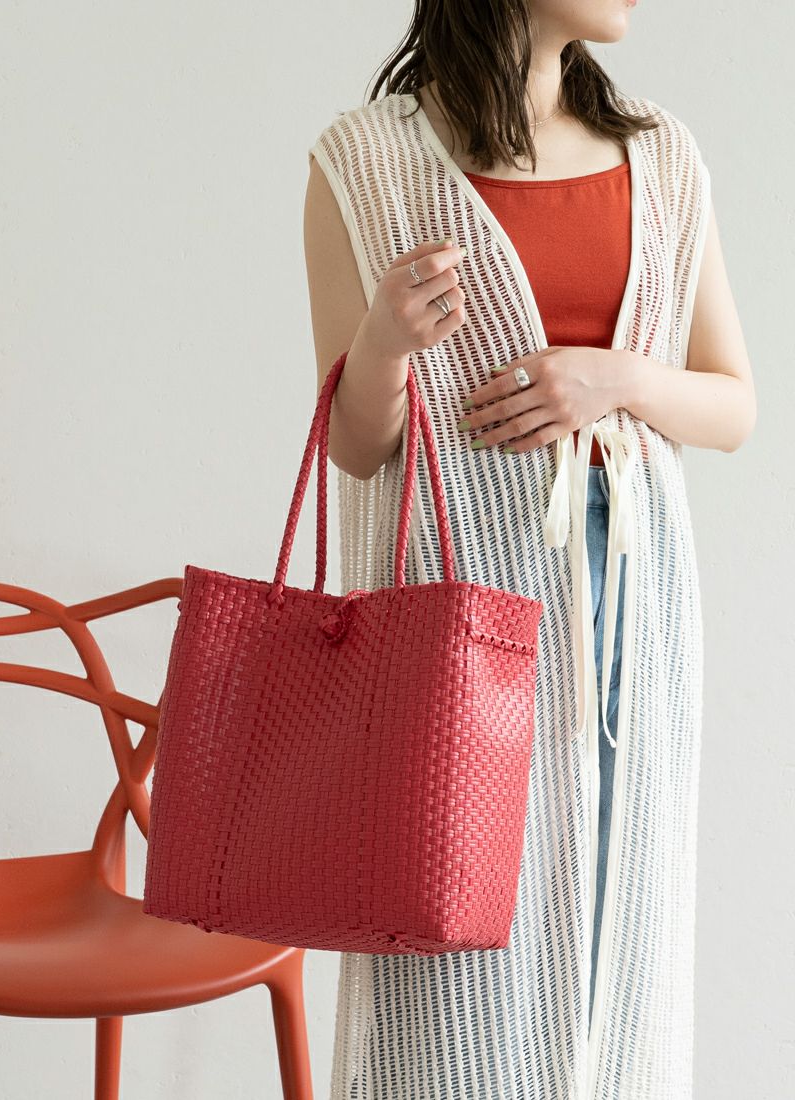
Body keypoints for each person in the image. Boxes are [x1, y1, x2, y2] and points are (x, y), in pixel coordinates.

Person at [304, 3, 755, 1098]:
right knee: (453, 948)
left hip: (630, 604)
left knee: (614, 927)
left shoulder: (660, 155)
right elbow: (355, 449)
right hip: (454, 621)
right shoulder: (365, 163)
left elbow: (732, 404)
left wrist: (617, 378)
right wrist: (381, 344)